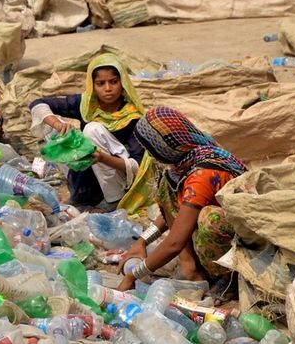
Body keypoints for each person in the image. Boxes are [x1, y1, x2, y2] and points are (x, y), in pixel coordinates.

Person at [117, 106, 247, 292]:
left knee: (211, 219)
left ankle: (228, 277)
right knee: (167, 184)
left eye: (151, 148)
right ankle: (190, 268)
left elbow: (175, 241)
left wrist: (133, 275)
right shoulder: (188, 158)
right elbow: (177, 209)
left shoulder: (203, 172)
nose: (150, 154)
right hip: (206, 229)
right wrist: (142, 241)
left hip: (239, 238)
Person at [28, 54, 152, 212]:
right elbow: (38, 103)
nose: (108, 89)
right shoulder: (87, 104)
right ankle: (84, 191)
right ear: (92, 85)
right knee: (53, 128)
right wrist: (58, 124)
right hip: (92, 166)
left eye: (113, 82)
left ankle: (113, 199)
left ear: (123, 83)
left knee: (92, 129)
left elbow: (138, 166)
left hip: (119, 176)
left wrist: (102, 158)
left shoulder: (133, 117)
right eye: (101, 83)